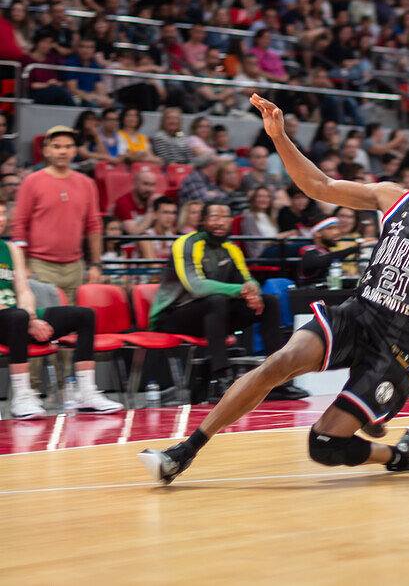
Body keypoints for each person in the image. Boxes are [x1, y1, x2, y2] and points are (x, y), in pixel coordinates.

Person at [139, 93, 409, 485]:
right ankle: (183, 453)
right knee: (276, 363)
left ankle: (400, 452)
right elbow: (319, 185)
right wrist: (279, 137)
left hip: (397, 347)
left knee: (322, 444)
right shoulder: (394, 198)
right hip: (359, 314)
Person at [148, 201, 297, 403]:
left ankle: (276, 379)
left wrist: (252, 289)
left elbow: (246, 279)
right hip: (173, 316)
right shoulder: (186, 243)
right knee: (215, 300)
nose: (220, 223)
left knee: (269, 300)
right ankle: (220, 379)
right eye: (214, 217)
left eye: (225, 217)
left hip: (213, 316)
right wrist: (241, 290)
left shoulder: (231, 248)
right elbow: (197, 287)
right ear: (202, 221)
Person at [0, 202, 123, 418]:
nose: (1, 220)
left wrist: (31, 318)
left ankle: (85, 392)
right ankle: (22, 396)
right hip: (8, 318)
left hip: (18, 318)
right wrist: (28, 320)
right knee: (18, 316)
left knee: (84, 314)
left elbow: (23, 290)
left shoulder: (10, 249)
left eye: (2, 214)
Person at [10, 125, 103, 302]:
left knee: (71, 323)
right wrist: (23, 266)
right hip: (40, 265)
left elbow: (94, 225)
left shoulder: (87, 183)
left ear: (75, 150)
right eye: (57, 146)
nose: (63, 151)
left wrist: (96, 264)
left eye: (68, 147)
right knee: (44, 321)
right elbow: (19, 226)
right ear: (46, 151)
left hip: (76, 265)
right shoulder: (31, 181)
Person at [298, 217, 366, 285]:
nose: (337, 232)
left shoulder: (326, 252)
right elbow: (321, 261)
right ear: (317, 233)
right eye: (330, 228)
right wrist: (353, 249)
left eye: (337, 228)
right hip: (311, 293)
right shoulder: (308, 251)